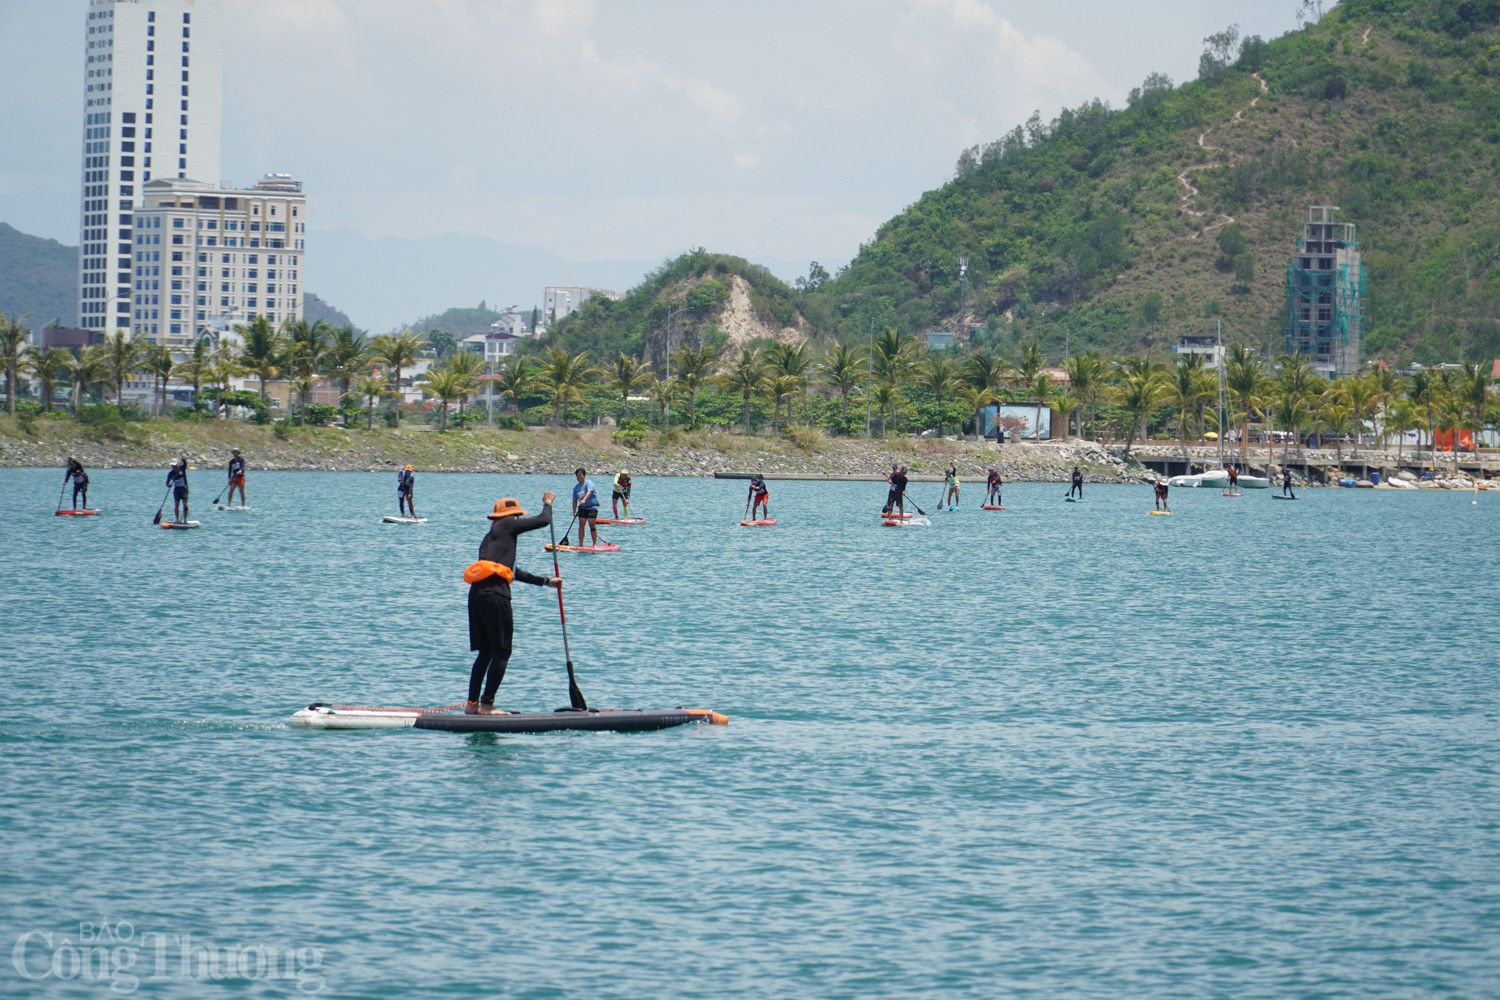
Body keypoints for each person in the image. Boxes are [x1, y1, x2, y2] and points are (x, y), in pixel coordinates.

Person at [464, 492, 562, 715]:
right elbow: (543, 520)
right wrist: (547, 504)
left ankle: (472, 705)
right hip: (496, 595)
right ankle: (487, 704)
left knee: (486, 651)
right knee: (502, 651)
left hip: (477, 594)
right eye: (516, 516)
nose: (517, 520)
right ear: (509, 516)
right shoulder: (508, 526)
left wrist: (546, 581)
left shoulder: (491, 538)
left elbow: (513, 572)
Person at [571, 467, 600, 545]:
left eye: (581, 475)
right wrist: (574, 511)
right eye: (578, 476)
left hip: (592, 507)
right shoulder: (576, 488)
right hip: (583, 508)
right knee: (581, 525)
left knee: (591, 524)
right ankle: (581, 544)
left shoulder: (589, 483)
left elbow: (589, 492)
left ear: (584, 475)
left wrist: (584, 500)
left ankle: (594, 544)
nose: (579, 477)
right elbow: (574, 501)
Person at [166, 457, 189, 523]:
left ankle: (185, 520)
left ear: (177, 465)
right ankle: (177, 520)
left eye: (175, 465)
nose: (173, 467)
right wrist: (168, 485)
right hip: (177, 490)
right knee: (177, 504)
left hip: (184, 489)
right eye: (172, 466)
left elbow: (185, 462)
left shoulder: (182, 469)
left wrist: (182, 459)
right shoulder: (170, 473)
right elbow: (167, 483)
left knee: (185, 505)